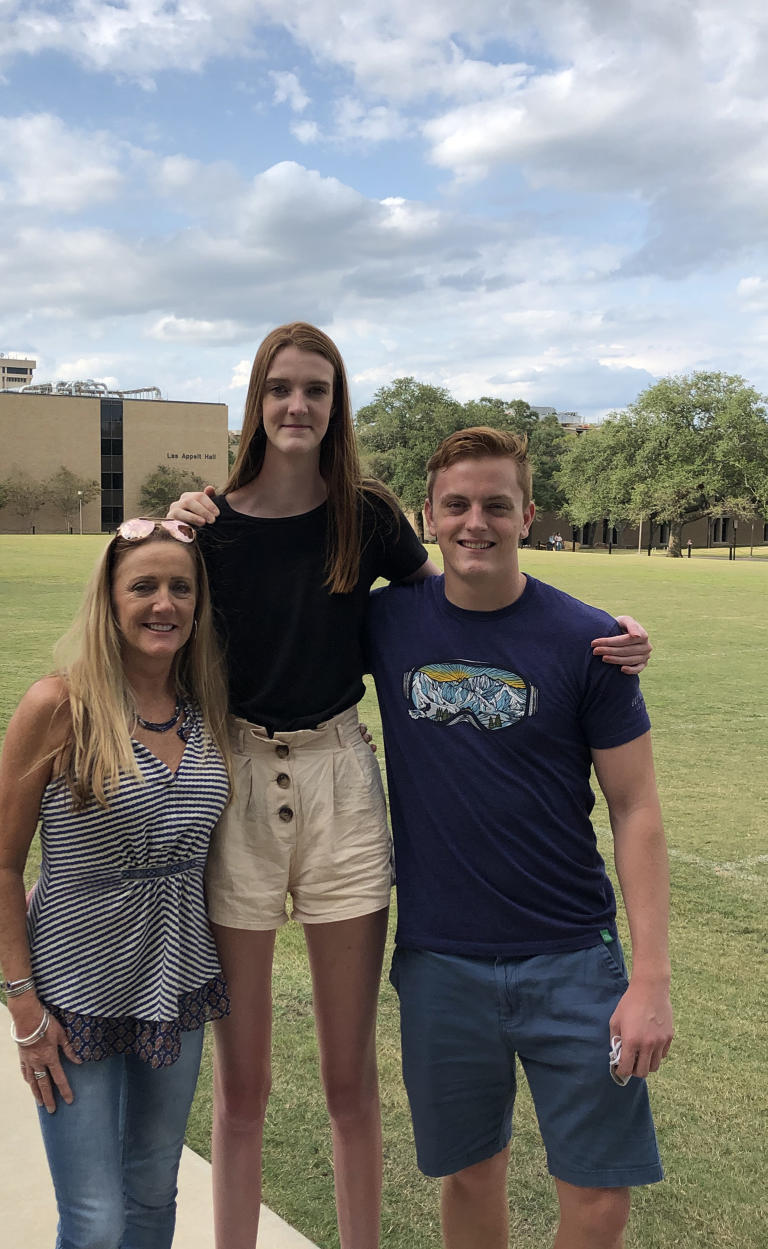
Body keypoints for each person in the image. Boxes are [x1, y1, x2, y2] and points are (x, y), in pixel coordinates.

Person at [167, 323, 652, 1249]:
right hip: (236, 782)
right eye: (280, 388)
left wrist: (600, 631)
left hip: (341, 778)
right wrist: (146, 528)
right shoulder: (211, 525)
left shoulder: (371, 517)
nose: (297, 405)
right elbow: (141, 609)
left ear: (335, 402)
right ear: (255, 402)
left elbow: (460, 600)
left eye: (316, 388)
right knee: (242, 1090)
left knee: (351, 1086)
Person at [367, 427, 672, 1249]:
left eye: (496, 504)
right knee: (470, 1173)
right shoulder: (386, 621)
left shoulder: (589, 640)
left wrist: (650, 979)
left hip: (573, 958)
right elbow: (268, 619)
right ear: (428, 516)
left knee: (600, 1196)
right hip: (441, 961)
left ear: (527, 514)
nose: (477, 522)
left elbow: (636, 807)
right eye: (457, 504)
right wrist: (183, 519)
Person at [0, 517, 231, 1249]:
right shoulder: (58, 706)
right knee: (94, 1221)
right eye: (144, 586)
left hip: (174, 982)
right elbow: (1, 862)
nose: (165, 603)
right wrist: (25, 1010)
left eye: (180, 587)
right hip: (72, 991)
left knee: (154, 1195)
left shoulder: (206, 708)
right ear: (109, 599)